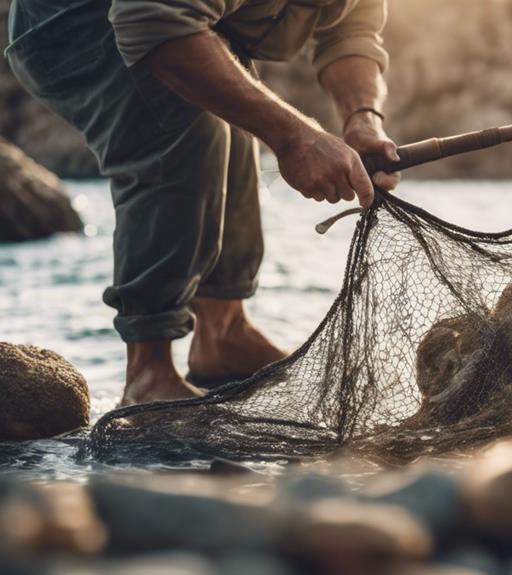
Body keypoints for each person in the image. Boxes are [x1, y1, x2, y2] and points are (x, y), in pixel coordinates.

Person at [5, 0, 399, 406]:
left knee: (237, 113)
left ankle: (222, 334)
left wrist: (363, 118)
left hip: (178, 19)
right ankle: (148, 372)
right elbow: (152, 21)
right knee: (183, 126)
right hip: (73, 22)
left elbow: (352, 32)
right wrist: (295, 138)